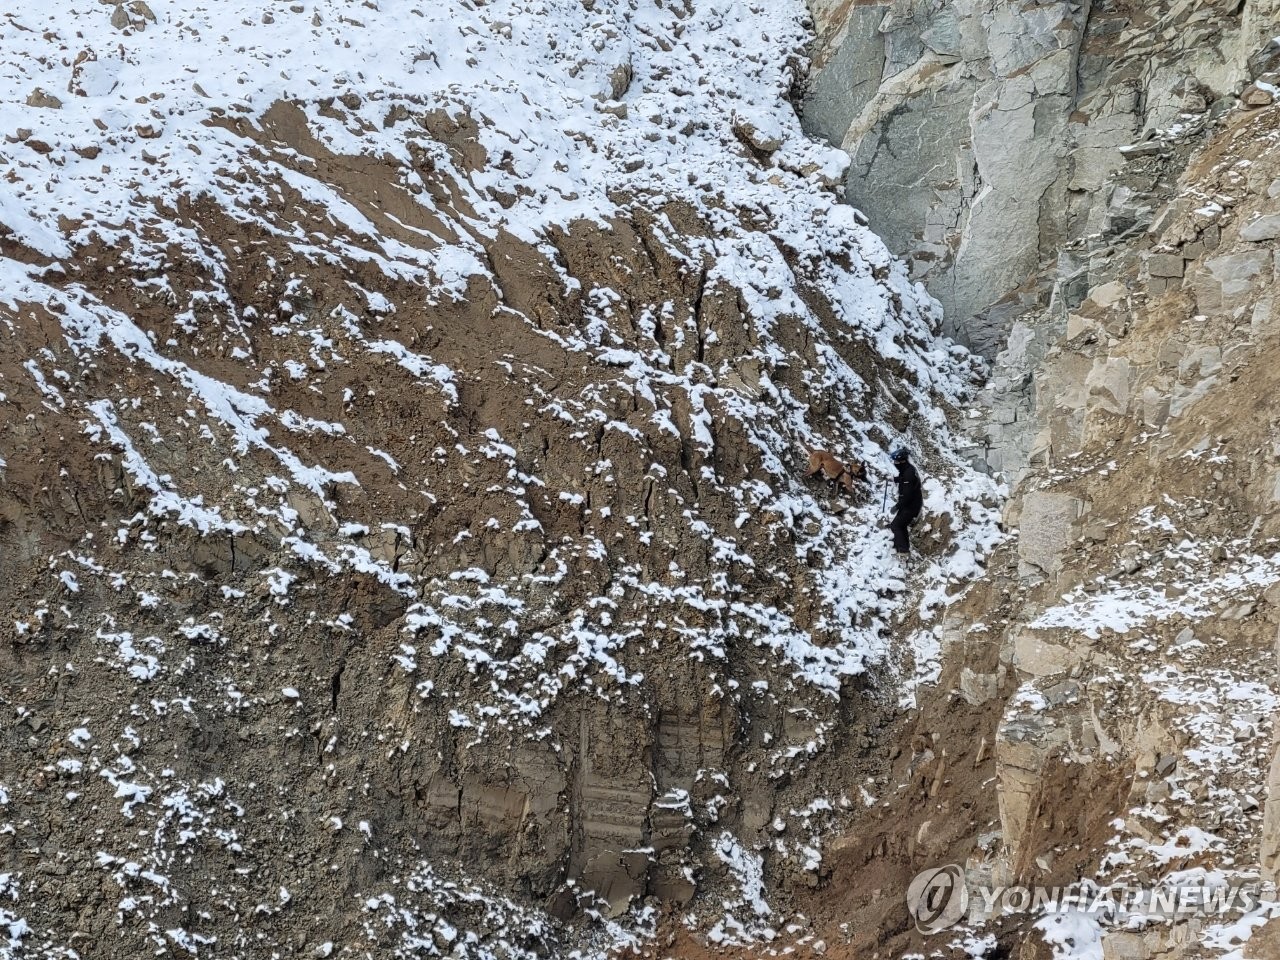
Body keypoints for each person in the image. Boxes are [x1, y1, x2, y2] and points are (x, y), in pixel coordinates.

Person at [889, 447, 922, 556]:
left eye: (896, 461)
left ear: (902, 461)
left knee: (896, 526)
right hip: (912, 504)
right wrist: (894, 479)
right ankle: (904, 548)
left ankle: (902, 551)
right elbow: (904, 479)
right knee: (901, 525)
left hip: (911, 505)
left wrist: (897, 506)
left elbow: (907, 495)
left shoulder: (908, 472)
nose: (895, 464)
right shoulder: (908, 470)